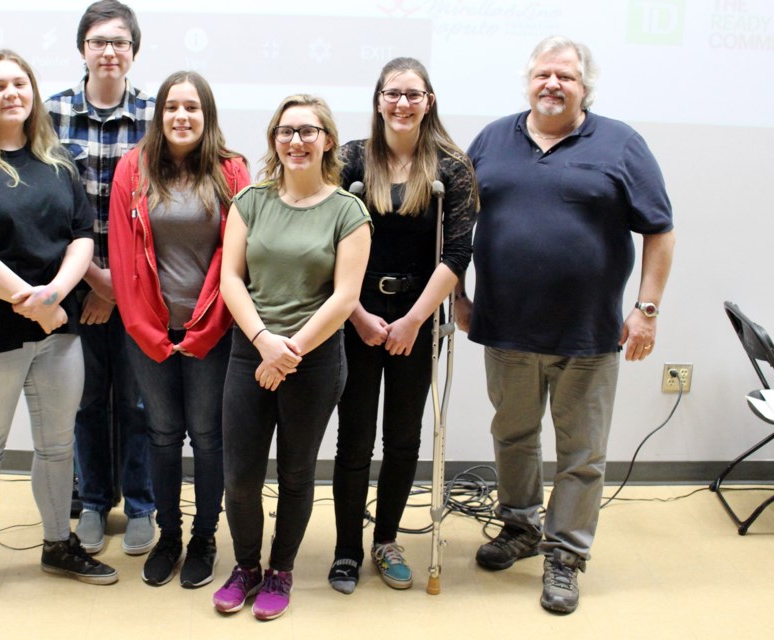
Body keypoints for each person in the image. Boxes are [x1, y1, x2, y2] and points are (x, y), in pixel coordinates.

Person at [463, 35, 675, 614]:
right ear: (528, 81)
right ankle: (521, 526)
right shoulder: (490, 140)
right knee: (513, 437)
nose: (553, 84)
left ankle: (566, 555)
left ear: (586, 88)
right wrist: (456, 294)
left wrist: (647, 310)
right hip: (505, 328)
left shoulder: (621, 143)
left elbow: (660, 228)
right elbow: (454, 225)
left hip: (589, 333)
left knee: (582, 452)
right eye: (543, 74)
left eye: (567, 77)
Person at [0, 49, 118, 610]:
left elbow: (82, 235)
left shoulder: (56, 161)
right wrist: (34, 304)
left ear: (33, 92)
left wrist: (56, 295)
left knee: (59, 446)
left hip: (59, 333)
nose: (12, 93)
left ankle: (57, 545)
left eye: (20, 83)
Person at [213, 95, 372, 620]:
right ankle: (246, 568)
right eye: (285, 131)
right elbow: (230, 278)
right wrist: (263, 343)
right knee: (239, 475)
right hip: (249, 352)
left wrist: (289, 352)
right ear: (274, 140)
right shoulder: (250, 200)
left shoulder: (349, 211)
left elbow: (344, 298)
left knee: (297, 473)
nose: (296, 141)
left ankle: (281, 570)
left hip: (315, 359)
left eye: (308, 131)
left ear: (328, 139)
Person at [329, 57, 478, 594]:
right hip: (355, 314)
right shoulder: (348, 160)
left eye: (413, 95)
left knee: (403, 438)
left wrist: (415, 320)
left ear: (428, 102)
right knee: (354, 438)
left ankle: (385, 540)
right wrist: (359, 316)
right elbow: (326, 240)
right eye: (392, 94)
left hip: (418, 316)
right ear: (377, 100)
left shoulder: (451, 168)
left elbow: (458, 251)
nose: (402, 104)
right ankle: (347, 548)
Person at [108, 71, 251, 588]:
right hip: (150, 331)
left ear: (206, 115)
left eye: (192, 107)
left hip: (212, 328)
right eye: (172, 107)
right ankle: (169, 537)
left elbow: (234, 256)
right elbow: (124, 256)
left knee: (208, 437)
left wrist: (206, 326)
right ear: (159, 114)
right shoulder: (134, 168)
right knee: (164, 435)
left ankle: (204, 537)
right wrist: (147, 329)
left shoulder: (232, 172)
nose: (181, 116)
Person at [45, 0, 156, 557]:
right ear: (83, 49)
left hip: (141, 291)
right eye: (98, 42)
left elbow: (167, 210)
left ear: (133, 52)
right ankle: (92, 501)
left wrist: (121, 290)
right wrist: (95, 282)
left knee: (138, 404)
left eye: (120, 42)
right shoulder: (51, 114)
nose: (109, 51)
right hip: (77, 283)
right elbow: (46, 210)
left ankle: (140, 504)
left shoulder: (161, 115)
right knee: (85, 402)